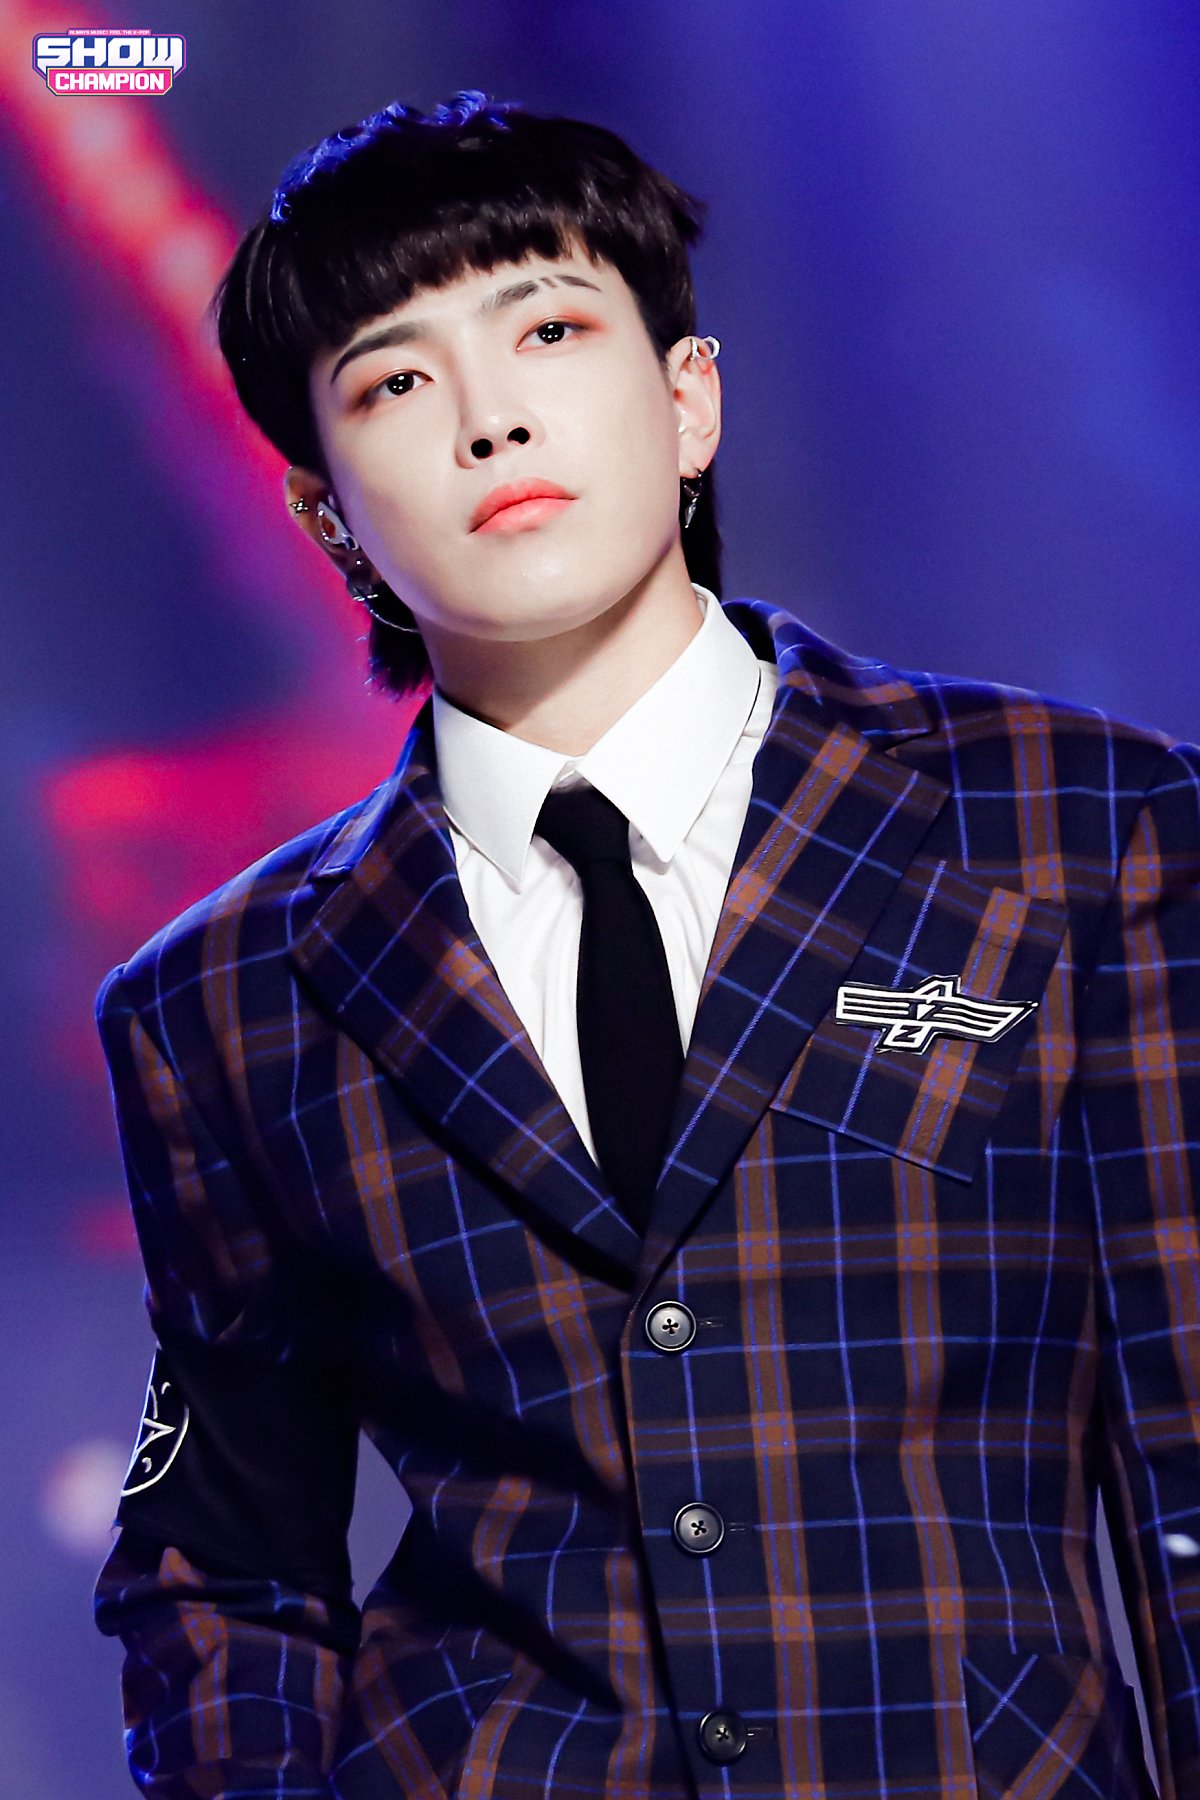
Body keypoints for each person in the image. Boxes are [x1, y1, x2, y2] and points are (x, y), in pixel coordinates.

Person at [91, 89, 1200, 1800]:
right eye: (395, 383)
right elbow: (225, 1569)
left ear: (690, 399)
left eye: (547, 330)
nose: (489, 419)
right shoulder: (220, 1000)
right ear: (327, 517)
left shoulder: (1079, 827)